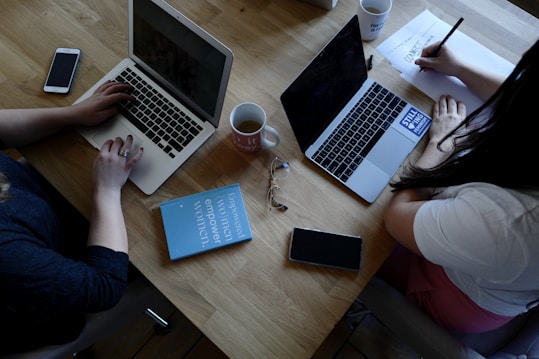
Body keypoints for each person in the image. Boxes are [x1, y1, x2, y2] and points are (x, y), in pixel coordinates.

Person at [379, 39, 539, 333]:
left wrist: (442, 144)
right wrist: (460, 69)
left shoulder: (512, 224)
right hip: (500, 274)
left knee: (359, 233)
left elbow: (396, 216)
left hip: (455, 295)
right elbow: (525, 101)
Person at [0, 81, 144, 353]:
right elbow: (105, 285)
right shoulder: (8, 257)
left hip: (43, 207)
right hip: (62, 288)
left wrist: (71, 114)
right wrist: (107, 190)